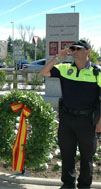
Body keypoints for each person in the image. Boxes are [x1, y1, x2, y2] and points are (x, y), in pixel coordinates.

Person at [40, 40, 101, 188]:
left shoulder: (97, 72)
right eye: (73, 49)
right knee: (67, 154)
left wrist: (100, 122)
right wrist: (58, 57)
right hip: (67, 118)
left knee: (87, 156)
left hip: (87, 121)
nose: (75, 52)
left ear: (88, 52)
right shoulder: (65, 68)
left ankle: (84, 185)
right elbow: (44, 71)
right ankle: (68, 183)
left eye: (79, 49)